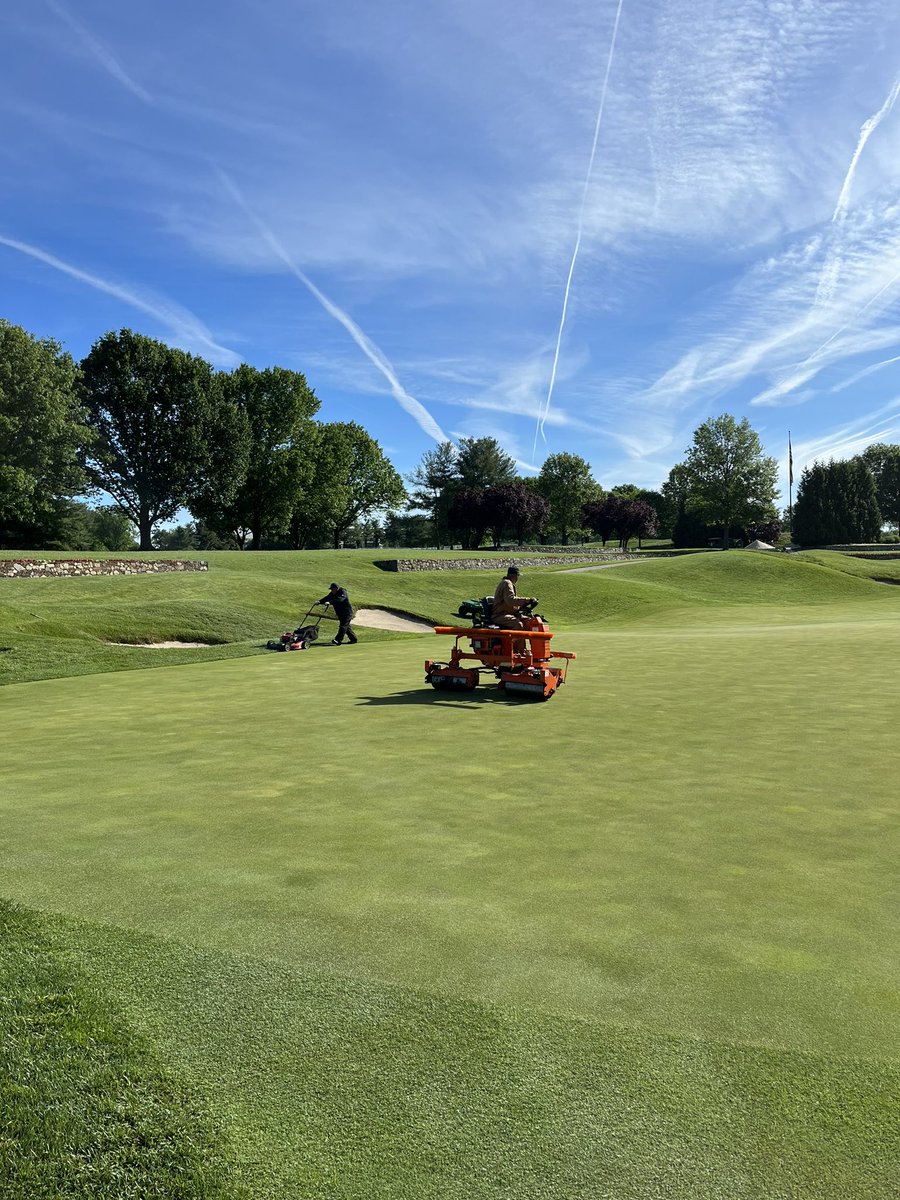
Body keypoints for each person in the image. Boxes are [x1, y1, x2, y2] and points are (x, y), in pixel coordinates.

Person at [492, 565, 537, 630]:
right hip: (500, 615)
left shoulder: (507, 583)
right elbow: (510, 600)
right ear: (514, 576)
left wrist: (522, 607)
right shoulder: (507, 583)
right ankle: (515, 640)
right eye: (517, 576)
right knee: (518, 624)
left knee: (530, 621)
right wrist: (527, 600)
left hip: (510, 614)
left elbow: (511, 603)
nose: (517, 578)